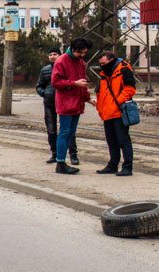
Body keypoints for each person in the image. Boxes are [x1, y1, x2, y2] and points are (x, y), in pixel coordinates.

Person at [50, 37, 92, 175]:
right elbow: (56, 83)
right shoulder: (61, 61)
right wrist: (74, 83)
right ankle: (60, 163)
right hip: (66, 103)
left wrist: (88, 98)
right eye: (81, 52)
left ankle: (62, 162)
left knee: (70, 133)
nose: (82, 55)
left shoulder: (80, 62)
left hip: (77, 103)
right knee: (64, 133)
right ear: (73, 49)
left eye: (84, 53)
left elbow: (83, 82)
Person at [94, 49, 137, 176]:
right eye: (100, 64)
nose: (102, 66)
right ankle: (113, 164)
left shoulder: (124, 69)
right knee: (111, 140)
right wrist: (100, 108)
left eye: (104, 63)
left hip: (119, 111)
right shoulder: (104, 73)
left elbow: (130, 89)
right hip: (107, 112)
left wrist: (117, 102)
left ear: (111, 60)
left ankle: (127, 167)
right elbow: (100, 93)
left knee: (123, 140)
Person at [36, 47, 76, 165]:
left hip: (64, 102)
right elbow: (39, 85)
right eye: (50, 54)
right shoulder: (45, 70)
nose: (52, 56)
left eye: (55, 54)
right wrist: (44, 93)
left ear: (60, 55)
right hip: (49, 103)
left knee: (67, 130)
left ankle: (73, 155)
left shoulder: (66, 68)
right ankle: (54, 153)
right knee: (51, 130)